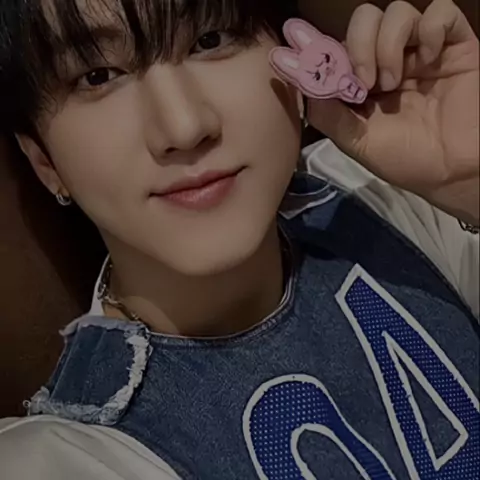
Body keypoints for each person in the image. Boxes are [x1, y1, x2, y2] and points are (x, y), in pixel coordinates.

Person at [0, 0, 478, 478]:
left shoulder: (393, 188)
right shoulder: (63, 458)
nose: (185, 127)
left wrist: (468, 186)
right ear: (43, 161)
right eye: (98, 76)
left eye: (210, 40)